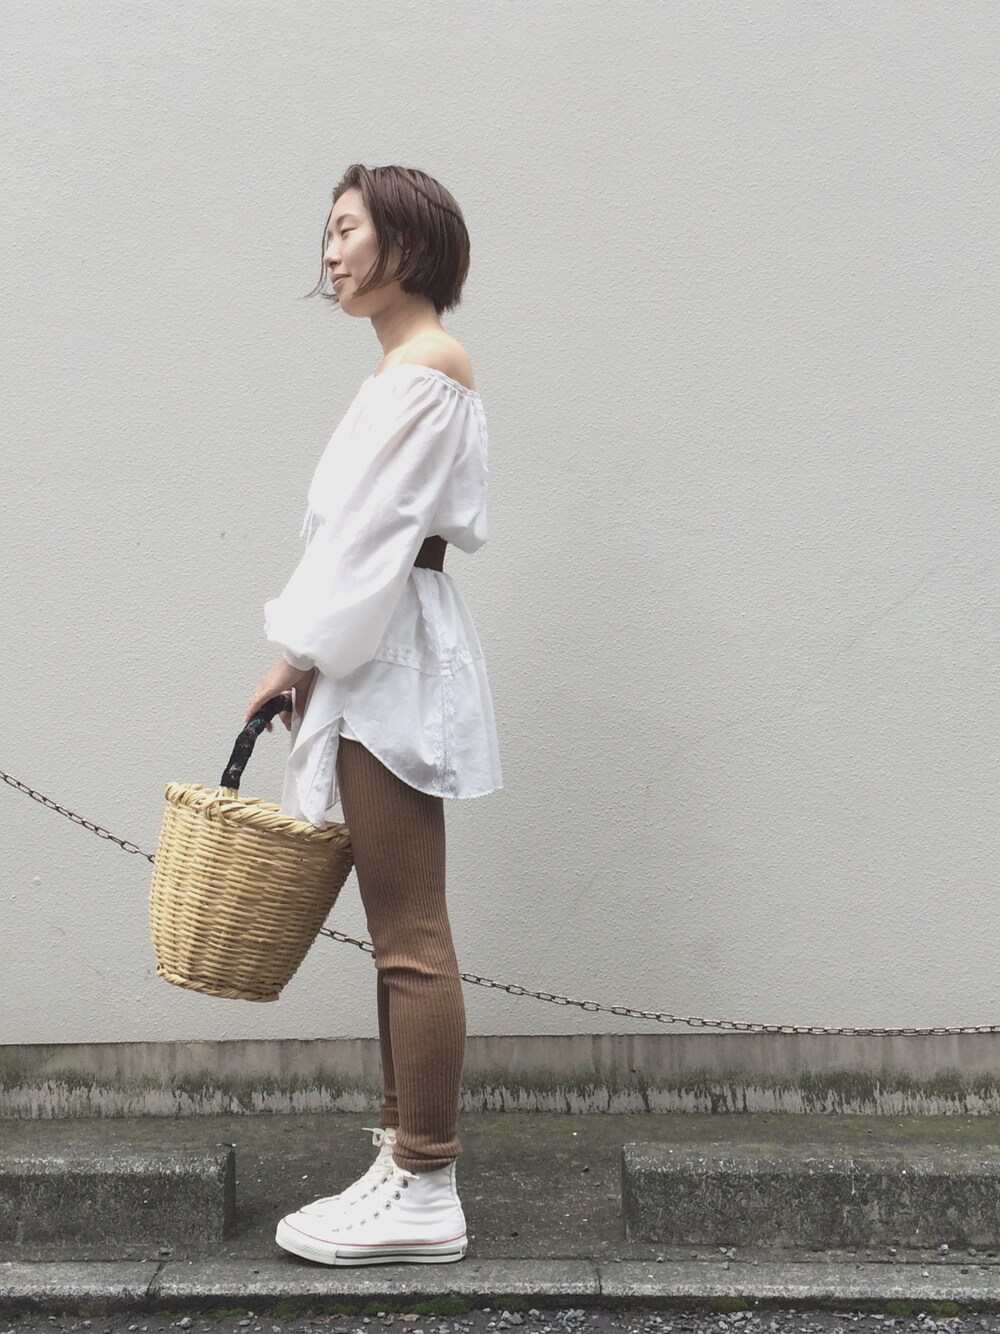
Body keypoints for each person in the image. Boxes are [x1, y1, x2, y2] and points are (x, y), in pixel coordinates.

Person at [243, 163, 503, 1267]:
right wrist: (312, 659)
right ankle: (404, 1162)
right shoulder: (405, 368)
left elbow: (367, 540)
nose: (331, 251)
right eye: (329, 232)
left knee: (410, 935)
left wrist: (296, 654)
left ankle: (427, 1180)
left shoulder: (428, 365)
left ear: (407, 240)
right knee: (400, 932)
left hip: (384, 655)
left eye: (348, 229)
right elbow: (359, 541)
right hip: (374, 652)